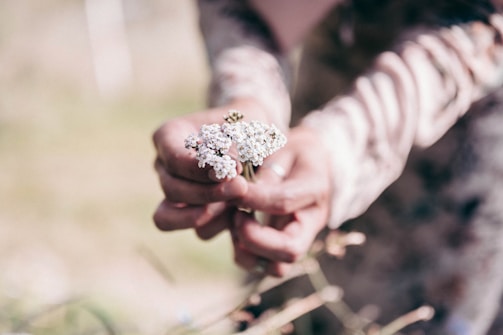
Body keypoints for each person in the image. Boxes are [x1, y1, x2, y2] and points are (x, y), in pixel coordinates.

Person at [153, 1, 503, 334]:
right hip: (323, 98)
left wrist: (341, 144)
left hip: (462, 129)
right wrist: (247, 99)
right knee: (296, 295)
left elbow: (486, 21)